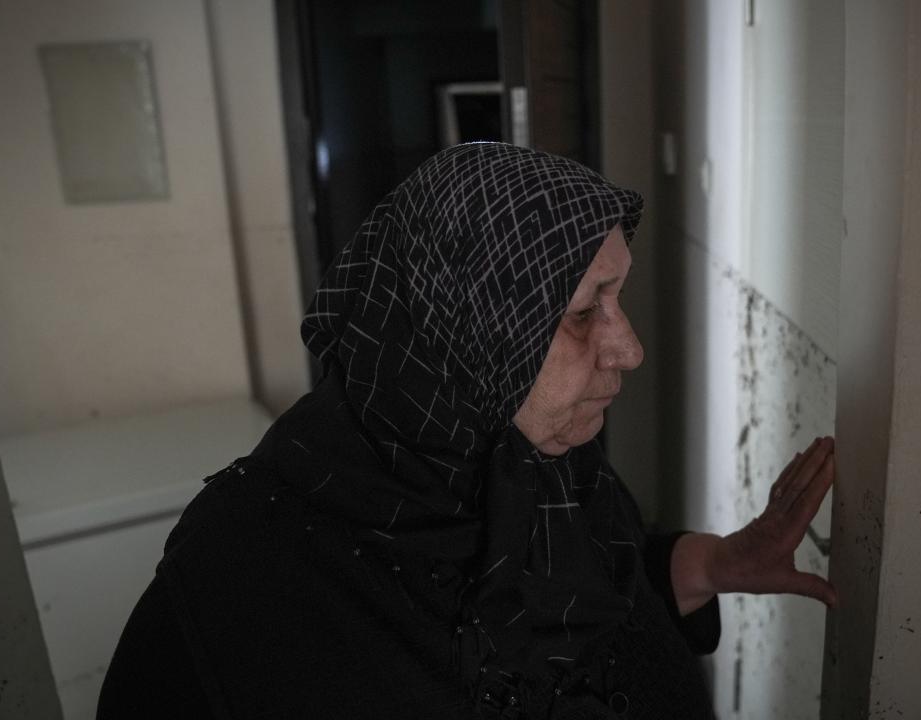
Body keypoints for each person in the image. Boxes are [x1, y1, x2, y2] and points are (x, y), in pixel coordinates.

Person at [97, 142, 837, 719]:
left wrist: (713, 565)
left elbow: (590, 601)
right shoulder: (244, 574)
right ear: (470, 333)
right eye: (585, 311)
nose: (629, 349)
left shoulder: (541, 463)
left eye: (618, 298)